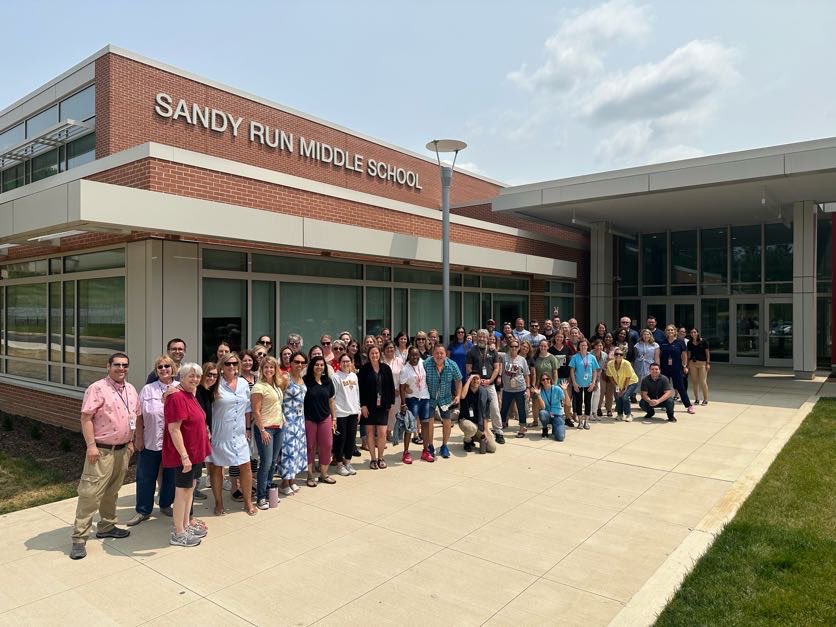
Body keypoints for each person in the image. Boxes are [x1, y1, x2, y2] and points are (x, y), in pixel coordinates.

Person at [69, 352, 139, 560]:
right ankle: (79, 538)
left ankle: (107, 526)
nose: (121, 368)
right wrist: (91, 445)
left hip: (123, 450)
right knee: (90, 494)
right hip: (101, 451)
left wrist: (132, 442)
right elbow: (86, 418)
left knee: (112, 491)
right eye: (116, 365)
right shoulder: (97, 388)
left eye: (125, 365)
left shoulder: (131, 389)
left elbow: (134, 417)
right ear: (108, 366)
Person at [163, 362, 212, 547]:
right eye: (191, 375)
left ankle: (185, 524)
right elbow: (174, 429)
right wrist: (184, 456)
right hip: (185, 455)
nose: (195, 379)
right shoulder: (177, 397)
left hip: (195, 452)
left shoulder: (190, 394)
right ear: (181, 377)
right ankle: (178, 533)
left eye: (198, 376)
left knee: (190, 488)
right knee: (181, 491)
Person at [129, 355, 178, 527]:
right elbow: (139, 415)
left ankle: (165, 504)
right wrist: (139, 437)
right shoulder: (148, 389)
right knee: (145, 476)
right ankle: (143, 510)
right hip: (150, 440)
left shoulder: (180, 388)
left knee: (171, 477)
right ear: (156, 371)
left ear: (173, 368)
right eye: (160, 367)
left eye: (167, 366)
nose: (164, 369)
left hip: (174, 443)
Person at [207, 352, 256, 516]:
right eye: (228, 364)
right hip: (220, 432)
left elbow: (248, 408)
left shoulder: (243, 383)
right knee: (217, 468)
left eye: (235, 363)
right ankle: (219, 503)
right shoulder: (215, 383)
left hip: (240, 432)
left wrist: (248, 428)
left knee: (246, 466)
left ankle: (248, 502)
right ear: (221, 366)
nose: (232, 366)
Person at [252, 356, 287, 509]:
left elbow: (278, 405)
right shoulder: (258, 387)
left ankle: (267, 491)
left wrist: (282, 420)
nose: (269, 370)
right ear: (262, 369)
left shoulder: (276, 385)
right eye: (266, 367)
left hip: (278, 427)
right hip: (265, 429)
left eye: (271, 367)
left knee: (273, 462)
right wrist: (262, 430)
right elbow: (256, 411)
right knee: (265, 463)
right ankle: (260, 496)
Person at [358, 346, 396, 468]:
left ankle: (381, 457)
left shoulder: (386, 368)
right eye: (372, 353)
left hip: (383, 406)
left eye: (376, 353)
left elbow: (391, 387)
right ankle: (373, 459)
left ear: (380, 354)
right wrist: (362, 405)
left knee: (382, 433)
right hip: (368, 406)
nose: (374, 355)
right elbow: (360, 389)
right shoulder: (364, 370)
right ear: (368, 355)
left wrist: (390, 404)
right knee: (369, 433)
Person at [465, 329, 504, 445]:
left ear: (487, 338)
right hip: (477, 386)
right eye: (480, 336)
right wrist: (477, 379)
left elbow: (496, 368)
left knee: (495, 409)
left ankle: (498, 431)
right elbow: (468, 368)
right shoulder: (472, 351)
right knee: (477, 409)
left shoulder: (493, 351)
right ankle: (474, 433)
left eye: (484, 337)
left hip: (490, 385)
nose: (482, 338)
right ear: (477, 338)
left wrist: (490, 380)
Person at [424, 344, 463, 459]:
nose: (439, 355)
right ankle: (430, 445)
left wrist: (458, 395)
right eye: (437, 353)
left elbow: (458, 380)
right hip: (430, 397)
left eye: (441, 353)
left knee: (447, 421)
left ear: (446, 354)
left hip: (445, 397)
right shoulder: (426, 363)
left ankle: (444, 446)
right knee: (430, 421)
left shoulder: (452, 365)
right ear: (433, 354)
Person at [303, 355, 337, 485]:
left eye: (321, 365)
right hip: (310, 418)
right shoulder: (305, 380)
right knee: (310, 447)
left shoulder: (328, 381)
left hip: (325, 418)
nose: (319, 367)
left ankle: (324, 474)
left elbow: (331, 401)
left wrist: (334, 419)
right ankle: (310, 475)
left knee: (327, 446)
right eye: (317, 364)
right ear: (312, 366)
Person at [279, 352, 307, 496]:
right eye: (296, 362)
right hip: (288, 420)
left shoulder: (302, 378)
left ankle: (292, 480)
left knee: (297, 451)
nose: (299, 365)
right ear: (291, 362)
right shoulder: (285, 377)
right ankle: (284, 482)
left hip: (300, 420)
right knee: (288, 452)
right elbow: (278, 396)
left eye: (302, 362)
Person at [400, 346, 431, 460]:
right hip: (412, 398)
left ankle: (426, 450)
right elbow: (402, 387)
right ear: (408, 356)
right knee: (410, 425)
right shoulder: (405, 369)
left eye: (417, 355)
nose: (415, 357)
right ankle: (406, 452)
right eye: (412, 355)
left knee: (425, 423)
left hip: (424, 397)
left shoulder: (424, 363)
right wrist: (403, 403)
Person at [332, 353, 360, 475]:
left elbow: (357, 393)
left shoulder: (354, 376)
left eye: (348, 361)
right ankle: (339, 464)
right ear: (339, 363)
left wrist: (358, 409)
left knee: (351, 439)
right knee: (340, 440)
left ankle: (348, 462)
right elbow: (332, 397)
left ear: (351, 362)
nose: (345, 363)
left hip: (353, 412)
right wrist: (334, 415)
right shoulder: (336, 377)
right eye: (343, 361)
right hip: (341, 413)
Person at [195, 362, 218, 507]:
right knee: (194, 466)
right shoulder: (197, 391)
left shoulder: (209, 391)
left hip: (205, 433)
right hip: (196, 435)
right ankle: (191, 491)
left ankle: (194, 489)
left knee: (198, 465)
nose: (211, 377)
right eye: (209, 374)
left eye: (215, 375)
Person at [659, 324, 695, 414]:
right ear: (666, 332)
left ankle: (689, 406)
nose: (670, 331)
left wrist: (685, 366)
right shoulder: (662, 342)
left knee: (680, 387)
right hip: (664, 368)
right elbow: (659, 355)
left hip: (677, 368)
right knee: (664, 387)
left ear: (675, 331)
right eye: (668, 330)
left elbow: (684, 355)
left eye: (672, 330)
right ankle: (665, 404)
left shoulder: (680, 342)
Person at [456, 374, 496, 453]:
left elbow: (486, 414)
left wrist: (485, 430)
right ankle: (467, 441)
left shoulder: (484, 393)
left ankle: (473, 437)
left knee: (492, 448)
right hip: (465, 421)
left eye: (477, 379)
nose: (475, 381)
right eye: (473, 379)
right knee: (471, 428)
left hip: (479, 424)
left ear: (480, 380)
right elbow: (462, 396)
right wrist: (470, 378)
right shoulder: (465, 390)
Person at [500, 339, 530, 438]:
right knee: (504, 408)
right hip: (507, 388)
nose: (513, 348)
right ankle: (503, 423)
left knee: (521, 409)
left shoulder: (522, 359)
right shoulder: (505, 358)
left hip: (520, 388)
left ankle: (522, 427)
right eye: (512, 346)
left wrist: (528, 388)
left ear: (518, 348)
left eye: (516, 347)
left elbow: (526, 375)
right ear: (509, 347)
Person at [569, 339, 599, 430]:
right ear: (579, 346)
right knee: (578, 402)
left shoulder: (592, 357)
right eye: (581, 345)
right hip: (578, 384)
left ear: (587, 346)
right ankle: (580, 422)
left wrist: (593, 383)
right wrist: (574, 383)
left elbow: (595, 371)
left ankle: (586, 421)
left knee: (587, 402)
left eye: (585, 345)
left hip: (588, 384)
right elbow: (572, 370)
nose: (583, 347)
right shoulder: (575, 357)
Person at [607, 348, 639, 421]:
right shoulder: (610, 364)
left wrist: (624, 389)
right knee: (618, 397)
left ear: (623, 356)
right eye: (616, 354)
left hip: (631, 382)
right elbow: (610, 376)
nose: (618, 355)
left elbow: (628, 377)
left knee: (625, 397)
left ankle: (628, 415)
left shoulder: (627, 363)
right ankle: (620, 414)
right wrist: (616, 387)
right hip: (619, 383)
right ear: (614, 355)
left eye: (621, 354)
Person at [381, 341, 404, 443]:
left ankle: (389, 432)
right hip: (384, 392)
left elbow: (403, 375)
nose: (390, 350)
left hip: (397, 392)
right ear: (384, 350)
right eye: (388, 348)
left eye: (392, 348)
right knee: (385, 412)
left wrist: (399, 388)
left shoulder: (399, 360)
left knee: (394, 413)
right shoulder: (381, 362)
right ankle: (383, 432)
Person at [536, 372, 567, 440]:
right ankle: (545, 428)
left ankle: (556, 428)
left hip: (558, 415)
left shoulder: (557, 389)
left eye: (547, 379)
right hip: (548, 415)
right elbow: (543, 407)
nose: (545, 381)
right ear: (541, 381)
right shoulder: (540, 391)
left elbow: (567, 402)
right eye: (543, 379)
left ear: (550, 379)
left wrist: (564, 390)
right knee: (542, 413)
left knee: (560, 438)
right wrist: (538, 395)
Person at [590, 339, 612, 418]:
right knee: (591, 395)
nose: (599, 347)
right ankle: (590, 413)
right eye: (597, 345)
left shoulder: (604, 355)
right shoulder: (590, 354)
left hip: (599, 376)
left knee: (597, 394)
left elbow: (602, 367)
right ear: (594, 346)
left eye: (600, 345)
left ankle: (595, 412)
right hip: (590, 377)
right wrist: (593, 380)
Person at [688, 329, 711, 405]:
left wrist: (708, 363)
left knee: (703, 382)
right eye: (691, 332)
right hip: (693, 363)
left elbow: (707, 353)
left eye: (694, 332)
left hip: (702, 363)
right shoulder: (689, 343)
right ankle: (696, 399)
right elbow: (689, 354)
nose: (693, 333)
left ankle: (705, 399)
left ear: (697, 333)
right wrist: (687, 365)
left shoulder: (704, 341)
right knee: (695, 382)